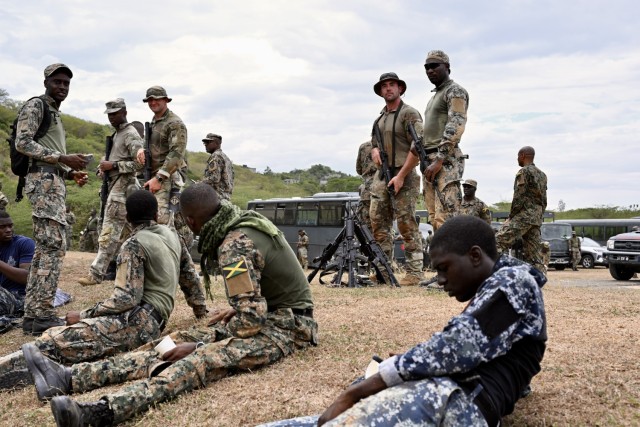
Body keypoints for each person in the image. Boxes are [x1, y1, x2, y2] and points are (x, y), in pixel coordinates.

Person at [29, 183, 317, 426]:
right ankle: (69, 377)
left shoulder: (234, 244)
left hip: (289, 328)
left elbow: (252, 322)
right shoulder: (241, 223)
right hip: (273, 316)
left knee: (198, 360)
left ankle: (101, 412)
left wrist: (201, 347)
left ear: (191, 221)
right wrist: (236, 313)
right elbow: (260, 299)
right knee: (171, 342)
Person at [260, 215, 547, 427]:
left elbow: (458, 347)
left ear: (475, 255)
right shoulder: (501, 292)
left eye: (444, 268)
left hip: (452, 402)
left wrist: (365, 386)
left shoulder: (514, 281)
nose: (441, 280)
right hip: (445, 397)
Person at [0, 190, 206, 390]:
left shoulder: (134, 245)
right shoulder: (173, 235)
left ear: (127, 218)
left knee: (56, 339)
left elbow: (126, 299)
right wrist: (200, 311)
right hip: (153, 321)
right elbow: (189, 278)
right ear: (156, 214)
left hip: (140, 322)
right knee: (63, 338)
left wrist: (82, 315)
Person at [15, 63, 91, 335]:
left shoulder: (55, 113)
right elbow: (22, 143)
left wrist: (70, 173)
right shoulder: (37, 106)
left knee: (45, 249)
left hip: (53, 180)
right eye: (57, 81)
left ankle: (34, 315)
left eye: (66, 84)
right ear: (46, 81)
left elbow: (49, 153)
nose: (62, 87)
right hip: (43, 182)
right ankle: (42, 313)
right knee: (53, 246)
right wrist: (61, 158)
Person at [135, 86, 204, 304]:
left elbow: (176, 154)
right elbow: (154, 149)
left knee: (162, 229)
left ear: (166, 100)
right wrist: (140, 150)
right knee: (172, 233)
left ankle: (166, 278)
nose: (153, 103)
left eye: (157, 99)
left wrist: (160, 178)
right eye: (150, 100)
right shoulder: (154, 123)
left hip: (168, 181)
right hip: (154, 179)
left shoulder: (175, 123)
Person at [390, 50, 469, 232]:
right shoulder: (434, 97)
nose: (430, 70)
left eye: (434, 66)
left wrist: (440, 159)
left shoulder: (454, 91)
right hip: (428, 160)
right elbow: (433, 129)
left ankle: (456, 260)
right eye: (427, 67)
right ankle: (442, 260)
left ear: (447, 67)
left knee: (447, 218)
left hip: (445, 161)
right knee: (434, 218)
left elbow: (456, 124)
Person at [78, 99, 144, 286]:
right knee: (128, 234)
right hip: (114, 185)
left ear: (124, 111)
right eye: (109, 114)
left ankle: (96, 273)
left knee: (109, 232)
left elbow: (140, 163)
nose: (111, 117)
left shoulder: (130, 134)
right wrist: (105, 169)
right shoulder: (117, 134)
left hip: (123, 187)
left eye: (115, 113)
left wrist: (114, 165)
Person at [368, 72, 424, 286]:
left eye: (392, 85)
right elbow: (374, 142)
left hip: (405, 174)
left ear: (400, 88)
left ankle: (415, 272)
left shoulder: (409, 113)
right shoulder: (379, 119)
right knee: (378, 222)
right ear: (380, 91)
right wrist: (374, 150)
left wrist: (401, 176)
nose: (388, 89)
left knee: (406, 222)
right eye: (384, 86)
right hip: (382, 176)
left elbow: (417, 146)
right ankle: (383, 271)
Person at [495, 146, 548, 273]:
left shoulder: (523, 172)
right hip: (536, 218)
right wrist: (539, 216)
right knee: (534, 253)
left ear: (523, 155)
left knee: (498, 241)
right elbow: (544, 201)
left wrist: (511, 217)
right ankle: (539, 278)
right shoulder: (542, 175)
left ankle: (492, 273)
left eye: (518, 156)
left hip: (524, 216)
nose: (517, 159)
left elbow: (519, 197)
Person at [0, 210, 35, 318]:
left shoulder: (24, 243)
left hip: (19, 297)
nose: (8, 230)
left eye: (10, 226)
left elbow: (27, 277)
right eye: (3, 227)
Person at [201, 133, 234, 201]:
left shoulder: (216, 156)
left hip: (216, 197)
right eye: (204, 143)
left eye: (208, 142)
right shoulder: (225, 157)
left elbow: (214, 178)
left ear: (216, 143)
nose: (205, 145)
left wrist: (200, 183)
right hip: (225, 198)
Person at [355, 140, 377, 231]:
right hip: (381, 189)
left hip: (366, 193)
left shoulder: (364, 146)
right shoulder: (388, 144)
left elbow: (359, 170)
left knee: (366, 228)